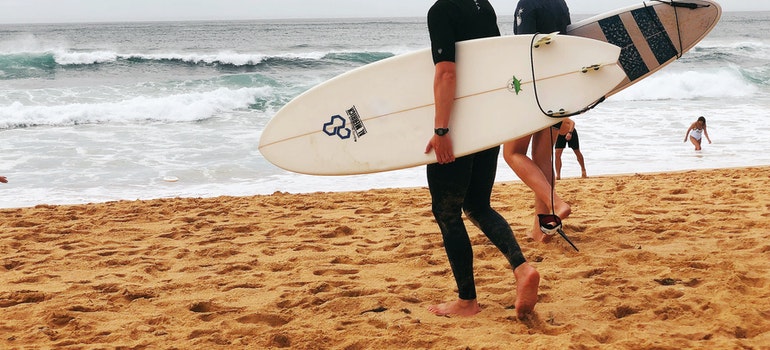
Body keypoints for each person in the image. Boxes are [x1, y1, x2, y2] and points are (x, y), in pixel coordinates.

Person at [424, 0, 539, 319]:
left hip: (459, 128)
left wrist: (442, 129)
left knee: (446, 211)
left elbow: (446, 73)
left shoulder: (442, 11)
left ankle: (467, 301)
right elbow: (493, 63)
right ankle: (522, 268)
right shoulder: (482, 6)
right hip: (487, 123)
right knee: (477, 205)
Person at [502, 0, 572, 243]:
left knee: (512, 153)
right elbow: (567, 46)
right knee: (543, 160)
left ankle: (557, 203)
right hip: (559, 88)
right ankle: (542, 230)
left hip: (533, 92)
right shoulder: (560, 3)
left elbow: (526, 50)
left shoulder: (527, 5)